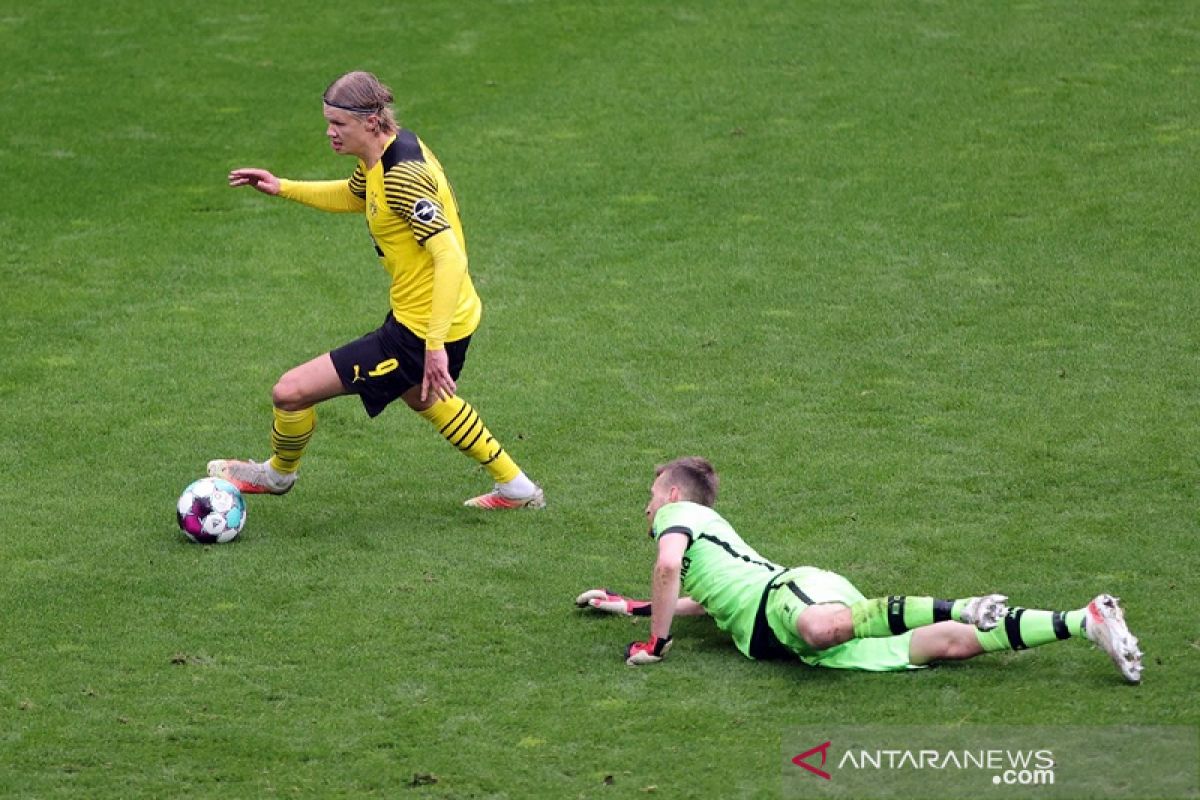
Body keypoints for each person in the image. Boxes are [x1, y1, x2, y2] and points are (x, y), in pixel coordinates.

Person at [208, 71, 543, 510]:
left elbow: (450, 257)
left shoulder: (403, 176)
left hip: (421, 329)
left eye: (338, 124)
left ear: (370, 120)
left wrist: (435, 345)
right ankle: (517, 488)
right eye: (327, 122)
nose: (329, 132)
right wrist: (282, 187)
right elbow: (355, 195)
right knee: (421, 396)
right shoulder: (391, 151)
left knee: (289, 392)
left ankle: (277, 475)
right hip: (437, 313)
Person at [575, 457, 1143, 683]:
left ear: (673, 492)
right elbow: (705, 597)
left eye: (650, 495)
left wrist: (656, 643)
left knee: (819, 627)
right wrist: (633, 605)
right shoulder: (710, 545)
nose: (647, 507)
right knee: (949, 646)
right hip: (790, 618)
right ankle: (1084, 620)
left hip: (788, 600)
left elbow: (667, 563)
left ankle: (960, 603)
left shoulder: (677, 513)